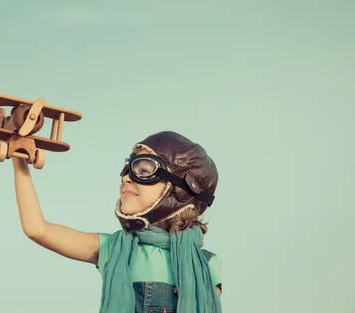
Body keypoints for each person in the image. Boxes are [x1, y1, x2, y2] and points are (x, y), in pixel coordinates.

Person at [12, 131, 222, 312]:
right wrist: (19, 159)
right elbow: (37, 229)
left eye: (144, 170)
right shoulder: (112, 248)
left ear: (181, 191)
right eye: (128, 169)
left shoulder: (208, 264)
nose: (126, 178)